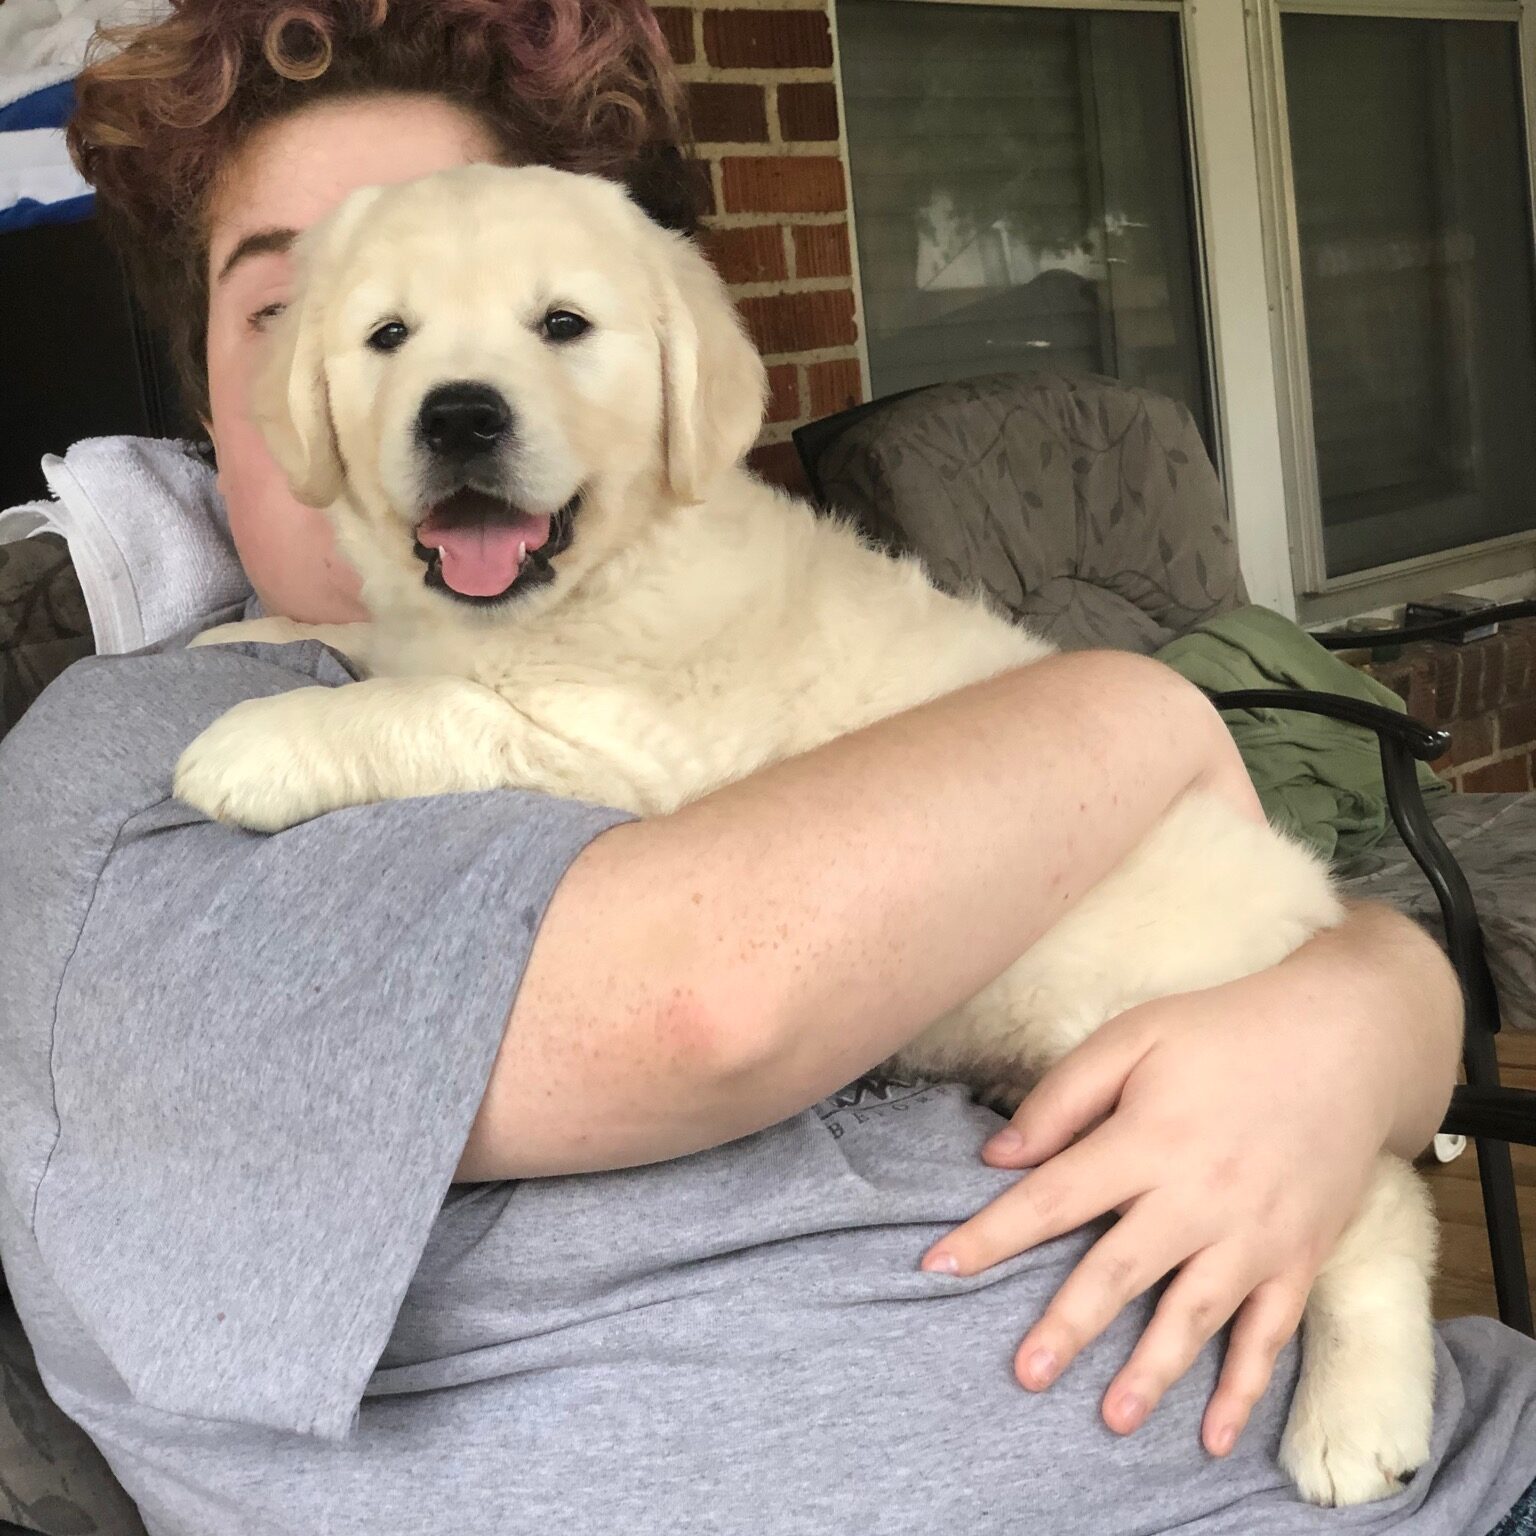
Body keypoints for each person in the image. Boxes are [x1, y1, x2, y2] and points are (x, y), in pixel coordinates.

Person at [0, 2, 1531, 1532]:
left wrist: (1372, 1005)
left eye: (551, 325)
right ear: (227, 394)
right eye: (342, 318)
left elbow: (1315, 978)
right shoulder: (123, 775)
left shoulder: (703, 594)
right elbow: (712, 993)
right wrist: (1140, 721)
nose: (456, 398)